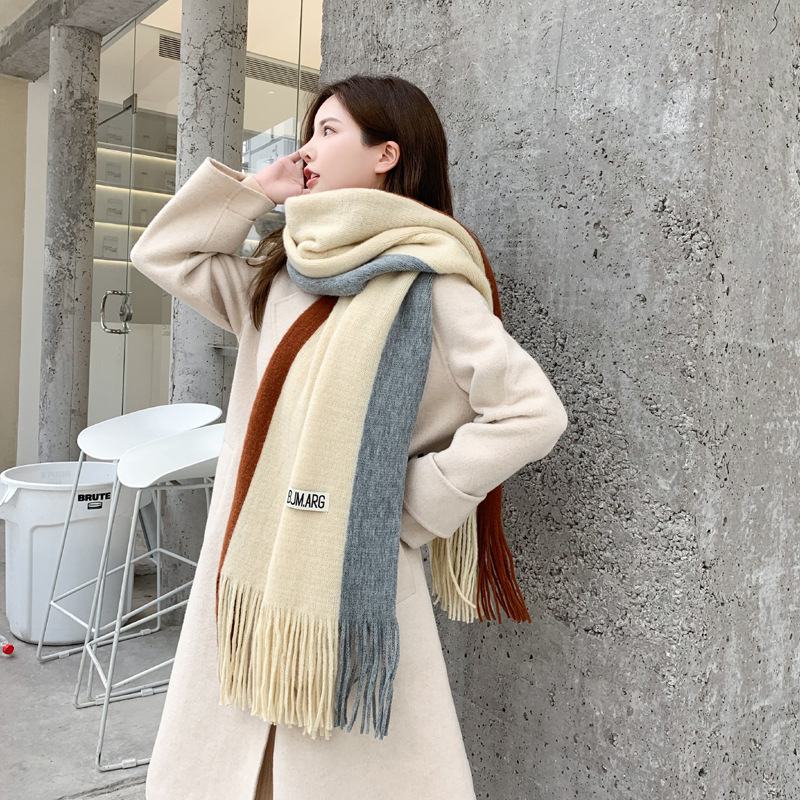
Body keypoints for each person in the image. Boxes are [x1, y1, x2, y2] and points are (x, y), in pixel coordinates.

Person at [130, 74, 568, 800]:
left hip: (354, 565)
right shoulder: (281, 277)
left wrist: (414, 503)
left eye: (328, 131)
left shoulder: (433, 286)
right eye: (309, 132)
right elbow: (165, 254)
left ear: (385, 154)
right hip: (251, 562)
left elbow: (531, 413)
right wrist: (256, 194)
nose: (307, 148)